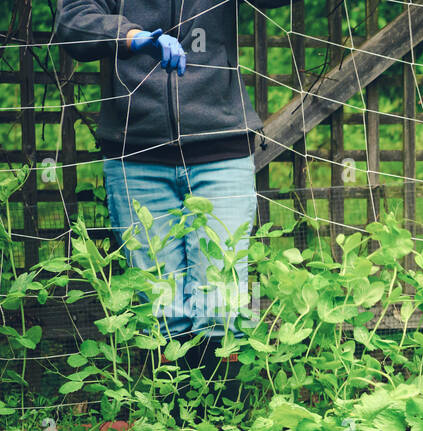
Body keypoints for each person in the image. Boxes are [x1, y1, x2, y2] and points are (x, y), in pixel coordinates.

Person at [54, 0, 290, 363]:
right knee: (161, 306)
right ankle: (173, 416)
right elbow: (72, 22)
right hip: (136, 153)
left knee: (222, 300)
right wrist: (130, 36)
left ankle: (225, 413)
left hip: (220, 148)